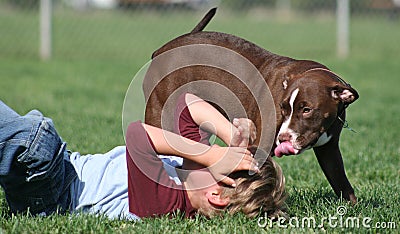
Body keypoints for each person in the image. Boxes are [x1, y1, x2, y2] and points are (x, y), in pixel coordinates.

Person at [0, 93, 285, 220]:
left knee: (36, 137)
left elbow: (138, 135)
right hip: (52, 167)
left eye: (222, 165)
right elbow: (188, 106)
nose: (216, 158)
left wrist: (211, 153)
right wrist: (231, 138)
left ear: (217, 196)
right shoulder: (189, 178)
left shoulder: (167, 201)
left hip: (49, 184)